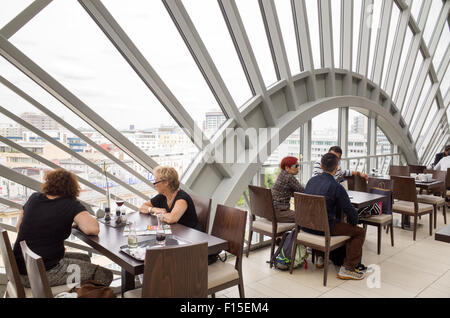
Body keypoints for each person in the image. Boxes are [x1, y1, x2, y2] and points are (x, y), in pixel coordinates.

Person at [13, 169, 113, 288]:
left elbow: (19, 227)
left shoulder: (34, 198)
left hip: (20, 268)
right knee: (105, 274)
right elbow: (92, 229)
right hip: (42, 274)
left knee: (85, 258)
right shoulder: (70, 204)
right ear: (72, 187)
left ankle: (81, 293)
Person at [303, 153, 367, 280]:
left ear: (321, 166)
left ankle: (320, 258)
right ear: (337, 168)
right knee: (359, 232)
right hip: (324, 228)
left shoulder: (310, 181)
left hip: (305, 226)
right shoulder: (336, 187)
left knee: (328, 220)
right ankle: (348, 268)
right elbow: (349, 210)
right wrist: (355, 222)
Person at [139, 166, 201, 231]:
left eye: (156, 182)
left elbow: (171, 219)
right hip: (176, 232)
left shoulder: (181, 199)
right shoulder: (163, 195)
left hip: (191, 236)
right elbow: (142, 207)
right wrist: (154, 209)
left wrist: (160, 214)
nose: (154, 185)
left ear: (166, 183)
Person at [271, 156, 305, 223]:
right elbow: (303, 191)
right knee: (305, 217)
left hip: (270, 211)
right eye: (296, 166)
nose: (298, 168)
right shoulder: (289, 177)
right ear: (287, 168)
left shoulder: (281, 174)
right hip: (279, 213)